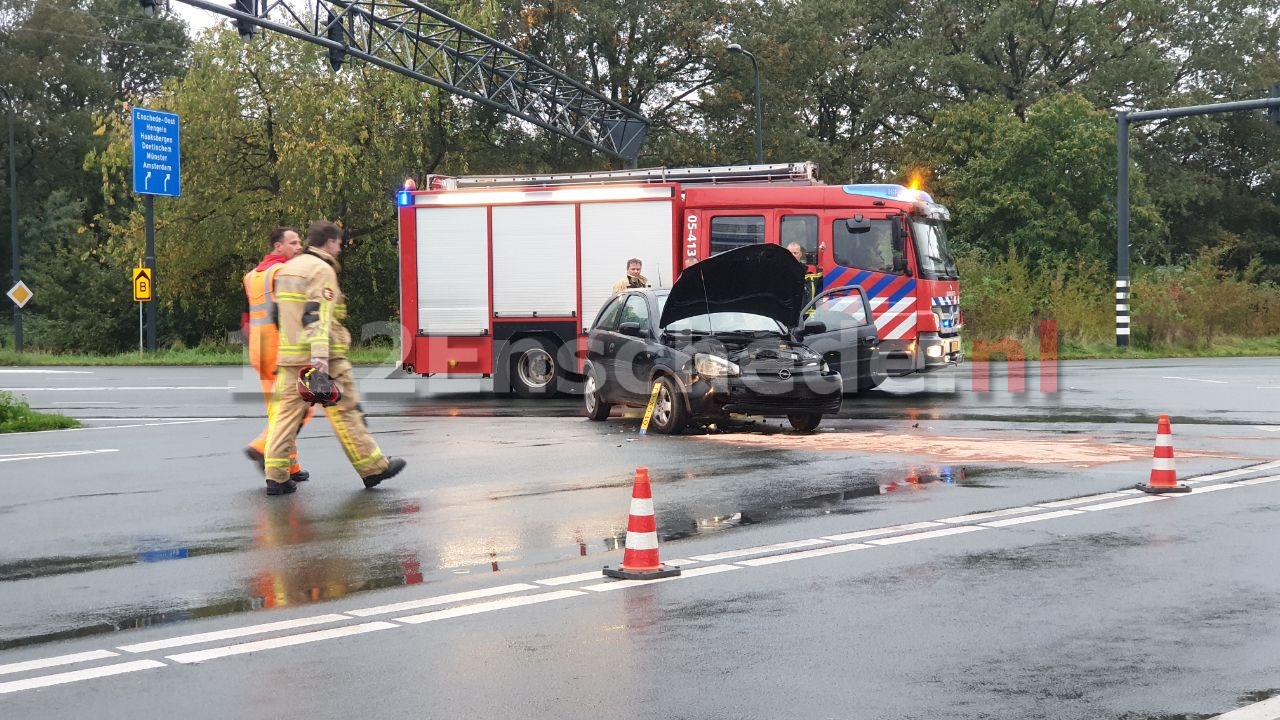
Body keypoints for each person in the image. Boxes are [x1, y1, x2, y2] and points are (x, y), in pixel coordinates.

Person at [262, 220, 406, 496]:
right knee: (346, 411)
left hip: (290, 357)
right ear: (329, 241)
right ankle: (373, 468)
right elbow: (317, 315)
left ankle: (277, 477)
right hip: (323, 355)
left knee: (284, 418)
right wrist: (320, 360)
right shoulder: (321, 270)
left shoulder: (286, 269)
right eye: (339, 243)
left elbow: (277, 316)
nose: (340, 249)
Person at [242, 227, 312, 483]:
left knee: (277, 408)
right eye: (292, 243)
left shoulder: (251, 276)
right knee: (302, 407)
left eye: (299, 242)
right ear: (277, 246)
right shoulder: (283, 272)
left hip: (258, 349)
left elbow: (245, 317)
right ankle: (262, 446)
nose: (298, 247)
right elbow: (293, 313)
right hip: (280, 347)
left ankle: (290, 466)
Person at [787, 242, 823, 313]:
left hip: (807, 314)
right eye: (790, 253)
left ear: (800, 254)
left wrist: (822, 253)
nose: (793, 255)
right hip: (788, 314)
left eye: (795, 253)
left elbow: (825, 272)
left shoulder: (810, 271)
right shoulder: (781, 271)